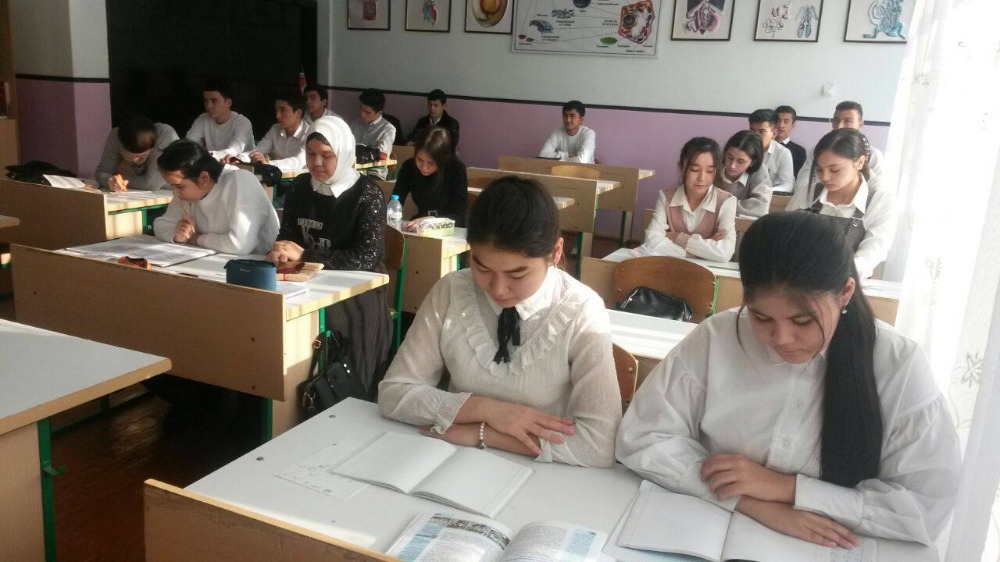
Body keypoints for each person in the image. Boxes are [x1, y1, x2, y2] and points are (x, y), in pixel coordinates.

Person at [616, 211, 960, 548]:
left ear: (845, 293)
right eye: (761, 317)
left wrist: (787, 488)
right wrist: (751, 502)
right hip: (705, 529)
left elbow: (925, 508)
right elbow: (643, 436)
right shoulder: (719, 337)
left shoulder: (898, 365)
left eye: (802, 321)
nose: (781, 339)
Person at [378, 176, 621, 468]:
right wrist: (488, 410)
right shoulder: (452, 290)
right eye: (481, 267)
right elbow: (394, 393)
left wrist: (483, 434)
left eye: (517, 274)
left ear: (555, 253)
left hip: (546, 471)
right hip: (452, 461)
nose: (498, 289)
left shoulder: (581, 309)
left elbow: (599, 445)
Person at [267, 116, 391, 395]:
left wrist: (306, 253)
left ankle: (342, 393)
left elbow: (367, 256)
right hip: (306, 280)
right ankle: (290, 395)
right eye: (310, 154)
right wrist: (281, 251)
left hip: (360, 288)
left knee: (332, 321)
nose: (317, 163)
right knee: (273, 313)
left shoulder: (366, 194)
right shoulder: (300, 187)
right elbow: (288, 235)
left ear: (344, 153)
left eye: (326, 155)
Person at [604, 137, 736, 263]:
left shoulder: (726, 201)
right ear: (682, 168)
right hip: (668, 268)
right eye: (695, 169)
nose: (702, 178)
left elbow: (724, 253)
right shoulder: (666, 197)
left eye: (709, 171)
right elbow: (652, 240)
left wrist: (678, 238)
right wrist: (700, 251)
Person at [786, 128, 895, 279]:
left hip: (849, 282)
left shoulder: (879, 200)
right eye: (819, 170)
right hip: (801, 279)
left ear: (860, 162)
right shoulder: (807, 193)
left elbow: (872, 253)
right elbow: (786, 237)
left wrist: (837, 276)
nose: (825, 177)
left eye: (835, 170)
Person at [153, 139, 278, 255]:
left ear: (203, 178)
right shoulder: (188, 192)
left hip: (257, 264)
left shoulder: (240, 181)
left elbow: (239, 244)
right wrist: (178, 235)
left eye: (178, 186)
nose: (175, 193)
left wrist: (195, 238)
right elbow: (160, 224)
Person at [795, 101, 887, 194]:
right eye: (836, 120)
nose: (840, 126)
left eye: (848, 121)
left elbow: (879, 191)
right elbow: (802, 185)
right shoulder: (819, 150)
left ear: (860, 124)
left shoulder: (874, 155)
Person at [392, 127, 468, 227]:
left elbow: (460, 217)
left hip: (450, 227)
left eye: (431, 163)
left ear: (443, 159)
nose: (424, 168)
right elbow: (395, 201)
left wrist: (432, 221)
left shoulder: (456, 169)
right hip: (421, 224)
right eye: (420, 160)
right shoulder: (409, 166)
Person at [95, 116, 179, 192]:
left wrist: (122, 180)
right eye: (129, 154)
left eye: (142, 156)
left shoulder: (165, 135)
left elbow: (151, 184)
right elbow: (102, 172)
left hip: (169, 193)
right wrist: (111, 182)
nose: (135, 160)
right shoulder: (115, 137)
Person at [185, 81, 255, 161]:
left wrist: (200, 155)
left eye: (214, 101)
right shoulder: (203, 118)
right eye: (206, 101)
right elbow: (188, 145)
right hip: (212, 164)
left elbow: (231, 152)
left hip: (241, 167)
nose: (209, 106)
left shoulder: (242, 123)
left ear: (228, 103)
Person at [242, 92, 308, 172]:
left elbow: (299, 162)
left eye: (283, 110)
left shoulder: (309, 133)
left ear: (298, 113)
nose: (277, 116)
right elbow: (258, 151)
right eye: (277, 110)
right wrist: (237, 158)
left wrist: (269, 164)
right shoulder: (275, 129)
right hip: (275, 176)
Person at [719, 130, 772, 218]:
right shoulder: (714, 165)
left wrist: (722, 205)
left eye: (740, 161)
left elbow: (761, 207)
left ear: (752, 162)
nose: (732, 165)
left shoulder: (760, 171)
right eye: (729, 157)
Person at [350, 88, 396, 180]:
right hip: (352, 170)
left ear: (379, 113)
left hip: (374, 173)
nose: (362, 114)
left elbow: (382, 155)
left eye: (368, 112)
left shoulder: (388, 129)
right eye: (361, 109)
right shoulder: (355, 123)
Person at [748, 109, 794, 194]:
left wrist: (764, 191)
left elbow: (788, 185)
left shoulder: (783, 153)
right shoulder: (742, 148)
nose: (755, 136)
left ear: (774, 134)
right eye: (753, 130)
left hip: (770, 197)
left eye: (762, 131)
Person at [775, 105, 807, 177]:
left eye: (786, 122)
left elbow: (799, 177)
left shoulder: (799, 151)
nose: (781, 125)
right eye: (778, 121)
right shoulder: (765, 146)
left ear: (793, 125)